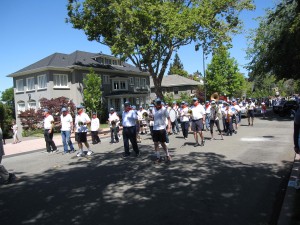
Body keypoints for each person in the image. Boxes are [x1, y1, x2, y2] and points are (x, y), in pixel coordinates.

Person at [152, 98, 172, 162]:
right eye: (157, 103)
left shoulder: (164, 110)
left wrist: (169, 127)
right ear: (155, 104)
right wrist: (148, 118)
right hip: (155, 128)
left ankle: (167, 155)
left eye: (159, 103)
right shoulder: (153, 109)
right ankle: (158, 157)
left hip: (161, 129)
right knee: (155, 143)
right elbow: (153, 118)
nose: (158, 104)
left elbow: (169, 118)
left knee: (162, 143)